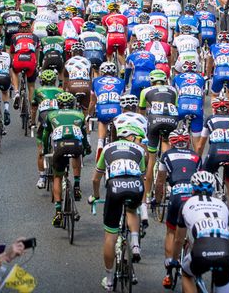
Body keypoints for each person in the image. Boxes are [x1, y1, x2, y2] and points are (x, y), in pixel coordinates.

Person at [88, 115, 147, 291]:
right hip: (135, 185)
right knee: (131, 210)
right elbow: (142, 176)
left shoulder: (107, 149)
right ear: (130, 136)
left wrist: (96, 195)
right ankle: (135, 243)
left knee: (110, 236)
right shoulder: (139, 150)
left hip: (115, 187)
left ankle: (109, 278)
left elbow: (96, 178)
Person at [155, 130, 202, 289]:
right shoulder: (196, 157)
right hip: (193, 196)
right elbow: (201, 180)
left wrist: (157, 199)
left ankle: (168, 273)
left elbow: (160, 181)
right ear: (188, 142)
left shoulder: (166, 155)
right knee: (196, 231)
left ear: (171, 142)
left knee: (171, 232)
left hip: (176, 196)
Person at [176, 171, 229, 293]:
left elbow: (179, 239)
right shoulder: (224, 205)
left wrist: (173, 259)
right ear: (212, 189)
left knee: (186, 274)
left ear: (192, 189)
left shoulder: (186, 204)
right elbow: (227, 235)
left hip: (200, 252)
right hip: (224, 253)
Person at [46, 91, 89, 226]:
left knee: (57, 177)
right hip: (76, 146)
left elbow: (45, 135)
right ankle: (76, 186)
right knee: (77, 154)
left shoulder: (51, 115)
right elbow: (84, 136)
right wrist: (87, 148)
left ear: (58, 104)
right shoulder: (79, 115)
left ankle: (58, 211)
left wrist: (45, 151)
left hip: (60, 148)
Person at [198, 96, 229, 215]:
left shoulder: (210, 119)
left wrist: (197, 161)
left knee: (204, 178)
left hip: (215, 153)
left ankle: (204, 210)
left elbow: (200, 145)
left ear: (214, 109)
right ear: (228, 108)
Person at [90, 61, 126, 151]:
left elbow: (92, 101)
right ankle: (115, 143)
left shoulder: (95, 81)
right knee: (116, 122)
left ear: (101, 72)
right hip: (116, 109)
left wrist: (89, 113)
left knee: (102, 122)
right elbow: (123, 99)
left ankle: (100, 143)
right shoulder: (121, 81)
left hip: (102, 108)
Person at [173, 60, 206, 149]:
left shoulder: (177, 77)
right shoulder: (201, 78)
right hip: (197, 109)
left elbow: (173, 95)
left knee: (171, 130)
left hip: (182, 107)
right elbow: (203, 97)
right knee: (197, 144)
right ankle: (197, 159)